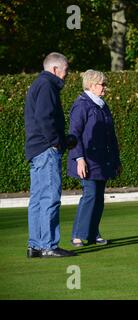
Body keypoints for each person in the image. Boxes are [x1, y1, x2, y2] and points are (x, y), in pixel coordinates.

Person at [24, 52, 75, 258]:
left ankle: (35, 245)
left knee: (37, 198)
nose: (67, 75)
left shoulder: (39, 84)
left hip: (36, 149)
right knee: (49, 197)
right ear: (55, 69)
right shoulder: (46, 85)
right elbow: (46, 118)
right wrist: (57, 142)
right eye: (66, 71)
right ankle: (48, 245)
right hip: (45, 149)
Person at [67, 70, 121, 247]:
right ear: (91, 85)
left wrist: (116, 160)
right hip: (88, 159)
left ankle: (93, 233)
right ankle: (77, 234)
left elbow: (110, 136)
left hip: (103, 160)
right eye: (102, 84)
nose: (105, 88)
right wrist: (79, 159)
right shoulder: (81, 105)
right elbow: (74, 134)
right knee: (90, 195)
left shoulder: (102, 105)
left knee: (98, 197)